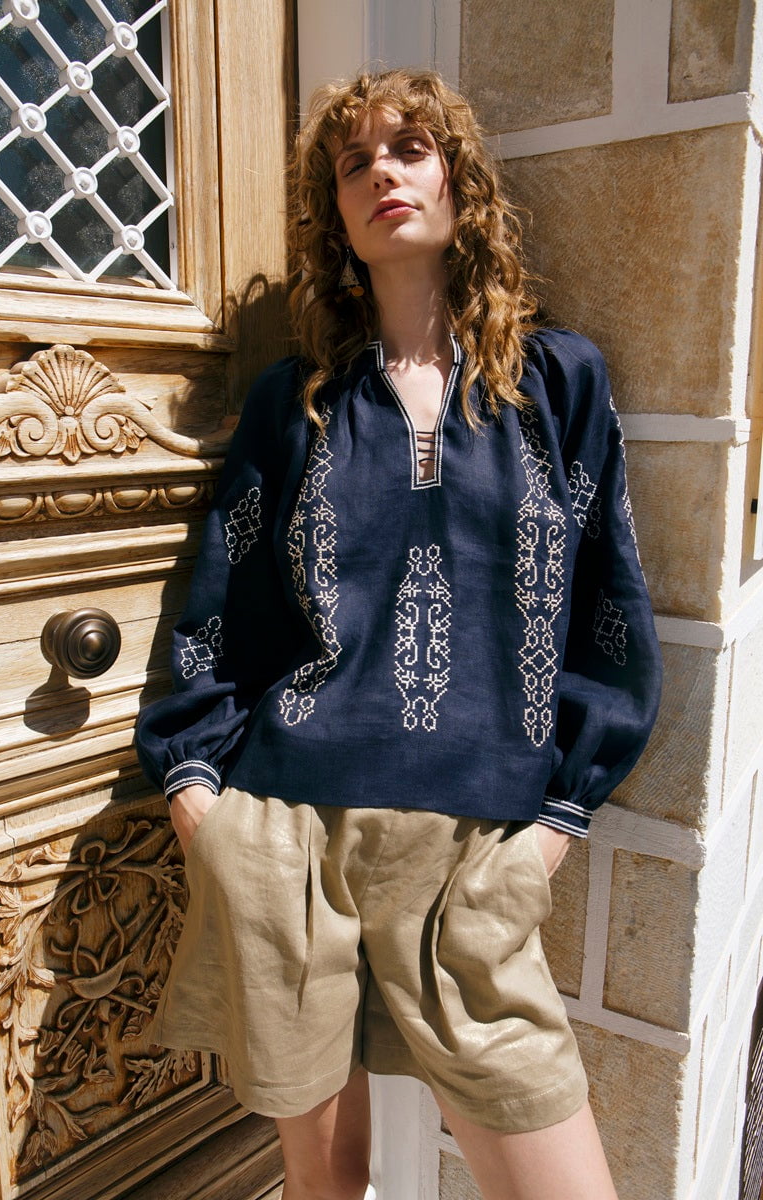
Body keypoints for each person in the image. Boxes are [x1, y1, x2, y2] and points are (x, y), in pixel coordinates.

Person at [136, 68, 662, 1200]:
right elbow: (221, 598)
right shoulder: (296, 402)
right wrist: (198, 797)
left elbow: (608, 604)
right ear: (336, 215)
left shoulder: (556, 383)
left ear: (459, 183)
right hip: (290, 842)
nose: (382, 171)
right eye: (354, 161)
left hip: (478, 856)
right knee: (327, 1186)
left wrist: (553, 827)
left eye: (410, 148)